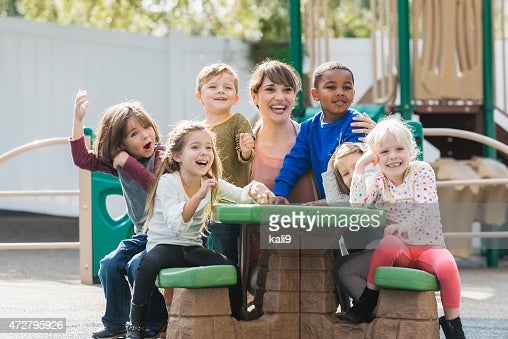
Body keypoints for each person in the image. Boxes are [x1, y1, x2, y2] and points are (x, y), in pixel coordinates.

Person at [125, 120, 275, 339]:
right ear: (177, 156)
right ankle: (135, 325)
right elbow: (177, 225)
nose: (204, 152)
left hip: (192, 248)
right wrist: (199, 195)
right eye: (195, 147)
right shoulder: (169, 182)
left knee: (231, 269)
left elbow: (240, 196)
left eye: (208, 147)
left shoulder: (210, 181)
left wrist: (255, 187)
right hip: (165, 246)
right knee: (147, 265)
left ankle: (236, 317)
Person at [340, 117, 465, 339]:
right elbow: (358, 205)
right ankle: (368, 299)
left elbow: (426, 208)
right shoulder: (377, 179)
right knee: (387, 244)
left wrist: (405, 226)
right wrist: (360, 167)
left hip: (428, 247)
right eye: (385, 152)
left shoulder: (422, 171)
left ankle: (454, 325)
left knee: (448, 266)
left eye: (399, 149)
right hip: (400, 250)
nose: (393, 156)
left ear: (411, 150)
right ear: (376, 159)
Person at [69, 89, 168, 339]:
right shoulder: (121, 161)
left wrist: (127, 163)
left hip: (166, 234)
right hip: (143, 235)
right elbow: (82, 160)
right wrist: (78, 120)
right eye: (134, 134)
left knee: (138, 267)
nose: (145, 135)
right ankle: (117, 323)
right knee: (109, 265)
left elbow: (154, 185)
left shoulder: (161, 154)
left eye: (146, 127)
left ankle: (157, 322)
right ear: (120, 144)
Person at [272, 61, 372, 203]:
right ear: (315, 94)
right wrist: (280, 193)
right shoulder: (308, 128)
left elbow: (356, 174)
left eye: (347, 87)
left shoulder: (357, 123)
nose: (340, 92)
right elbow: (294, 161)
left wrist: (330, 202)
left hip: (359, 203)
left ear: (354, 94)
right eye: (331, 87)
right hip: (330, 204)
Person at [195, 62, 255, 264]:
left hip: (228, 204)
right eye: (213, 87)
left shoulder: (237, 120)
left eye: (227, 87)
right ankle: (203, 293)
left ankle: (233, 294)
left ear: (236, 98)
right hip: (201, 204)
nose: (220, 91)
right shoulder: (196, 129)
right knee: (197, 252)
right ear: (199, 96)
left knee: (226, 254)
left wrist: (246, 150)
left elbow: (246, 156)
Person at [322, 142, 382, 313]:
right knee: (338, 263)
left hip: (387, 254)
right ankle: (369, 306)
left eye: (357, 166)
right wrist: (329, 167)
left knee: (343, 269)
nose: (353, 174)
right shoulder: (351, 201)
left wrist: (366, 165)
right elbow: (334, 200)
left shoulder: (378, 191)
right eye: (346, 173)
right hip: (371, 256)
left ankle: (374, 309)